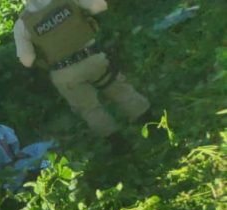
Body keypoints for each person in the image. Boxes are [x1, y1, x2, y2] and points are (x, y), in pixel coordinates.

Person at [14, 0, 151, 143]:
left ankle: (119, 145)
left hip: (64, 73)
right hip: (92, 57)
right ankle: (153, 125)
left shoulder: (23, 24)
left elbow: (27, 60)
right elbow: (100, 6)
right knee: (120, 90)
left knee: (89, 109)